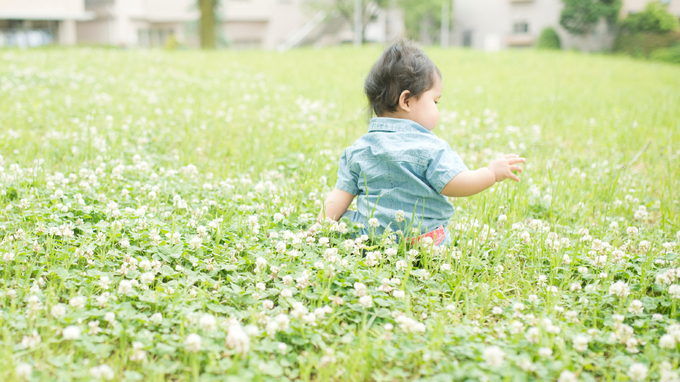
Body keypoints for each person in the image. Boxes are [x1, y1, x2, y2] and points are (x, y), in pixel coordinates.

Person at [318, 40, 526, 246]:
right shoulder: (430, 147)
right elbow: (455, 183)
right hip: (424, 240)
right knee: (439, 236)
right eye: (434, 102)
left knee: (346, 221)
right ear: (406, 101)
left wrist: (320, 227)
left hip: (372, 240)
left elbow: (339, 195)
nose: (437, 109)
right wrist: (491, 173)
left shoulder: (359, 149)